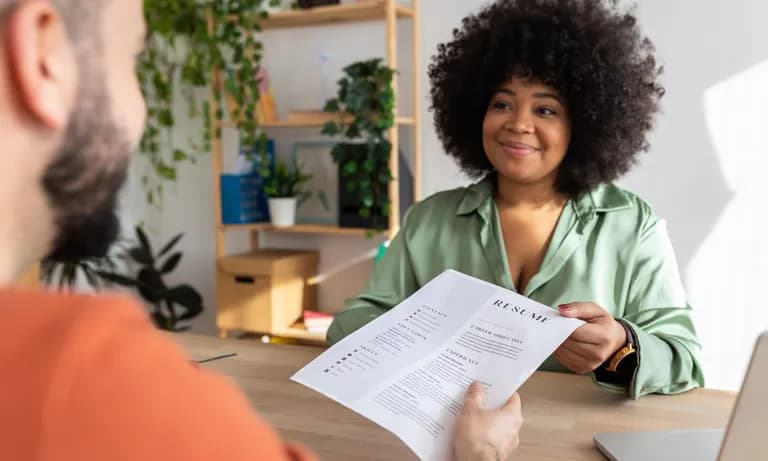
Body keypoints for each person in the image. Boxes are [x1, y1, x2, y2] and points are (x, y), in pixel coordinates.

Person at [0, 1, 522, 460]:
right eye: (135, 59)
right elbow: (359, 317)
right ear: (45, 55)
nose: (140, 111)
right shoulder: (83, 374)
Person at [328, 0, 705, 399]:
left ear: (587, 123)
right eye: (502, 103)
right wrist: (424, 336)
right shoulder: (430, 220)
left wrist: (620, 347)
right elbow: (349, 323)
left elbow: (685, 358)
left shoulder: (631, 225)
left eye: (545, 109)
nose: (519, 123)